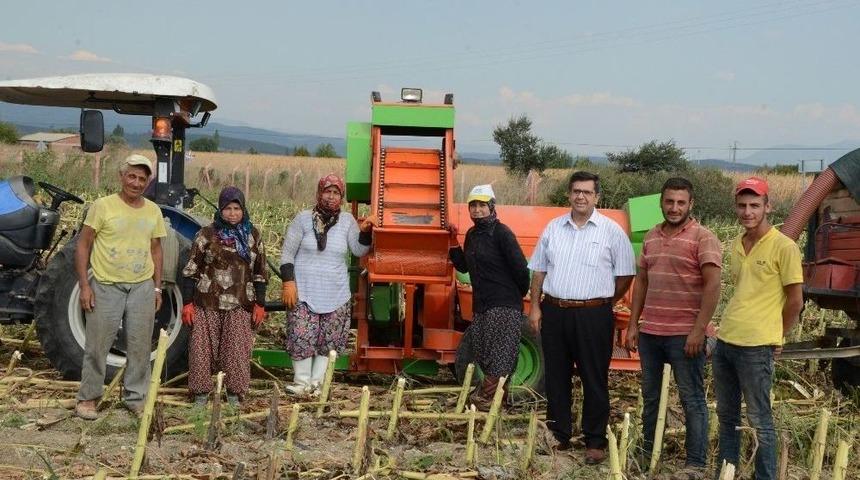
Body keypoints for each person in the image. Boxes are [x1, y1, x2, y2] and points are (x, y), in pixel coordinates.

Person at [528, 171, 636, 464]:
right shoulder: (553, 228)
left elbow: (626, 274)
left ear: (597, 197)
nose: (581, 197)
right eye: (576, 191)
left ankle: (595, 439)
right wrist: (536, 307)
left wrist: (605, 301)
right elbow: (539, 270)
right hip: (555, 311)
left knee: (594, 376)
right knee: (556, 375)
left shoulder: (611, 231)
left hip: (594, 315)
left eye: (587, 192)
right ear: (569, 194)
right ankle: (559, 433)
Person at [623, 177, 721, 479]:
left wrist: (698, 330)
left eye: (681, 202)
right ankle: (647, 452)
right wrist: (633, 324)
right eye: (669, 201)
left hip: (685, 335)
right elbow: (642, 282)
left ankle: (695, 463)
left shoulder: (704, 238)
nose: (674, 207)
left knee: (691, 398)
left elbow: (713, 285)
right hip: (652, 332)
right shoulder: (652, 236)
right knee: (651, 396)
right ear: (661, 202)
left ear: (691, 204)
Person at [713, 177, 803, 480]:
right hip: (726, 342)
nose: (747, 211)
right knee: (727, 417)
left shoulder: (784, 247)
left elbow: (795, 301)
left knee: (760, 419)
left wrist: (778, 335)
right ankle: (727, 471)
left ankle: (765, 476)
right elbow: (743, 292)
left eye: (754, 205)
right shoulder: (738, 244)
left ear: (768, 207)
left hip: (755, 347)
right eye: (742, 205)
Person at [74, 154, 167, 420]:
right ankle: (88, 398)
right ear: (121, 176)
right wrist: (84, 285)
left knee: (139, 346)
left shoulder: (153, 211)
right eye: (132, 176)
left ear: (148, 182)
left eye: (142, 178)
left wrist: (157, 288)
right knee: (97, 344)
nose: (136, 183)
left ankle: (135, 399)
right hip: (105, 285)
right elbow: (83, 245)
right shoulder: (102, 207)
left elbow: (156, 250)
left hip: (141, 287)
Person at [280, 174, 372, 395]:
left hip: (336, 293)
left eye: (336, 193)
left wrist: (367, 232)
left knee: (327, 341)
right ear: (319, 193)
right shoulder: (302, 219)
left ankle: (317, 385)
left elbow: (358, 250)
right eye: (327, 192)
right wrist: (288, 282)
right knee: (301, 335)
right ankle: (301, 383)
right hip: (303, 292)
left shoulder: (347, 222)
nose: (331, 197)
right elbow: (287, 254)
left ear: (341, 197)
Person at [181, 186, 268, 407]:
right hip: (206, 301)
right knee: (201, 350)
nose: (232, 213)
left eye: (236, 208)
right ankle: (200, 396)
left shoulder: (253, 236)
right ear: (220, 210)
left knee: (237, 351)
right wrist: (188, 303)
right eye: (227, 208)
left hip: (241, 302)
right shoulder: (206, 234)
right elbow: (191, 271)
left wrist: (260, 303)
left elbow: (260, 272)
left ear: (243, 209)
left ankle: (234, 397)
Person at [448, 184, 530, 408]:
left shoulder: (502, 233)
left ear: (491, 207)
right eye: (473, 205)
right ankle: (495, 400)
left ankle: (488, 399)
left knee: (501, 352)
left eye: (482, 205)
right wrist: (452, 243)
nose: (477, 210)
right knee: (482, 350)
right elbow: (464, 267)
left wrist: (515, 296)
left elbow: (521, 269)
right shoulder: (473, 235)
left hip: (504, 304)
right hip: (482, 304)